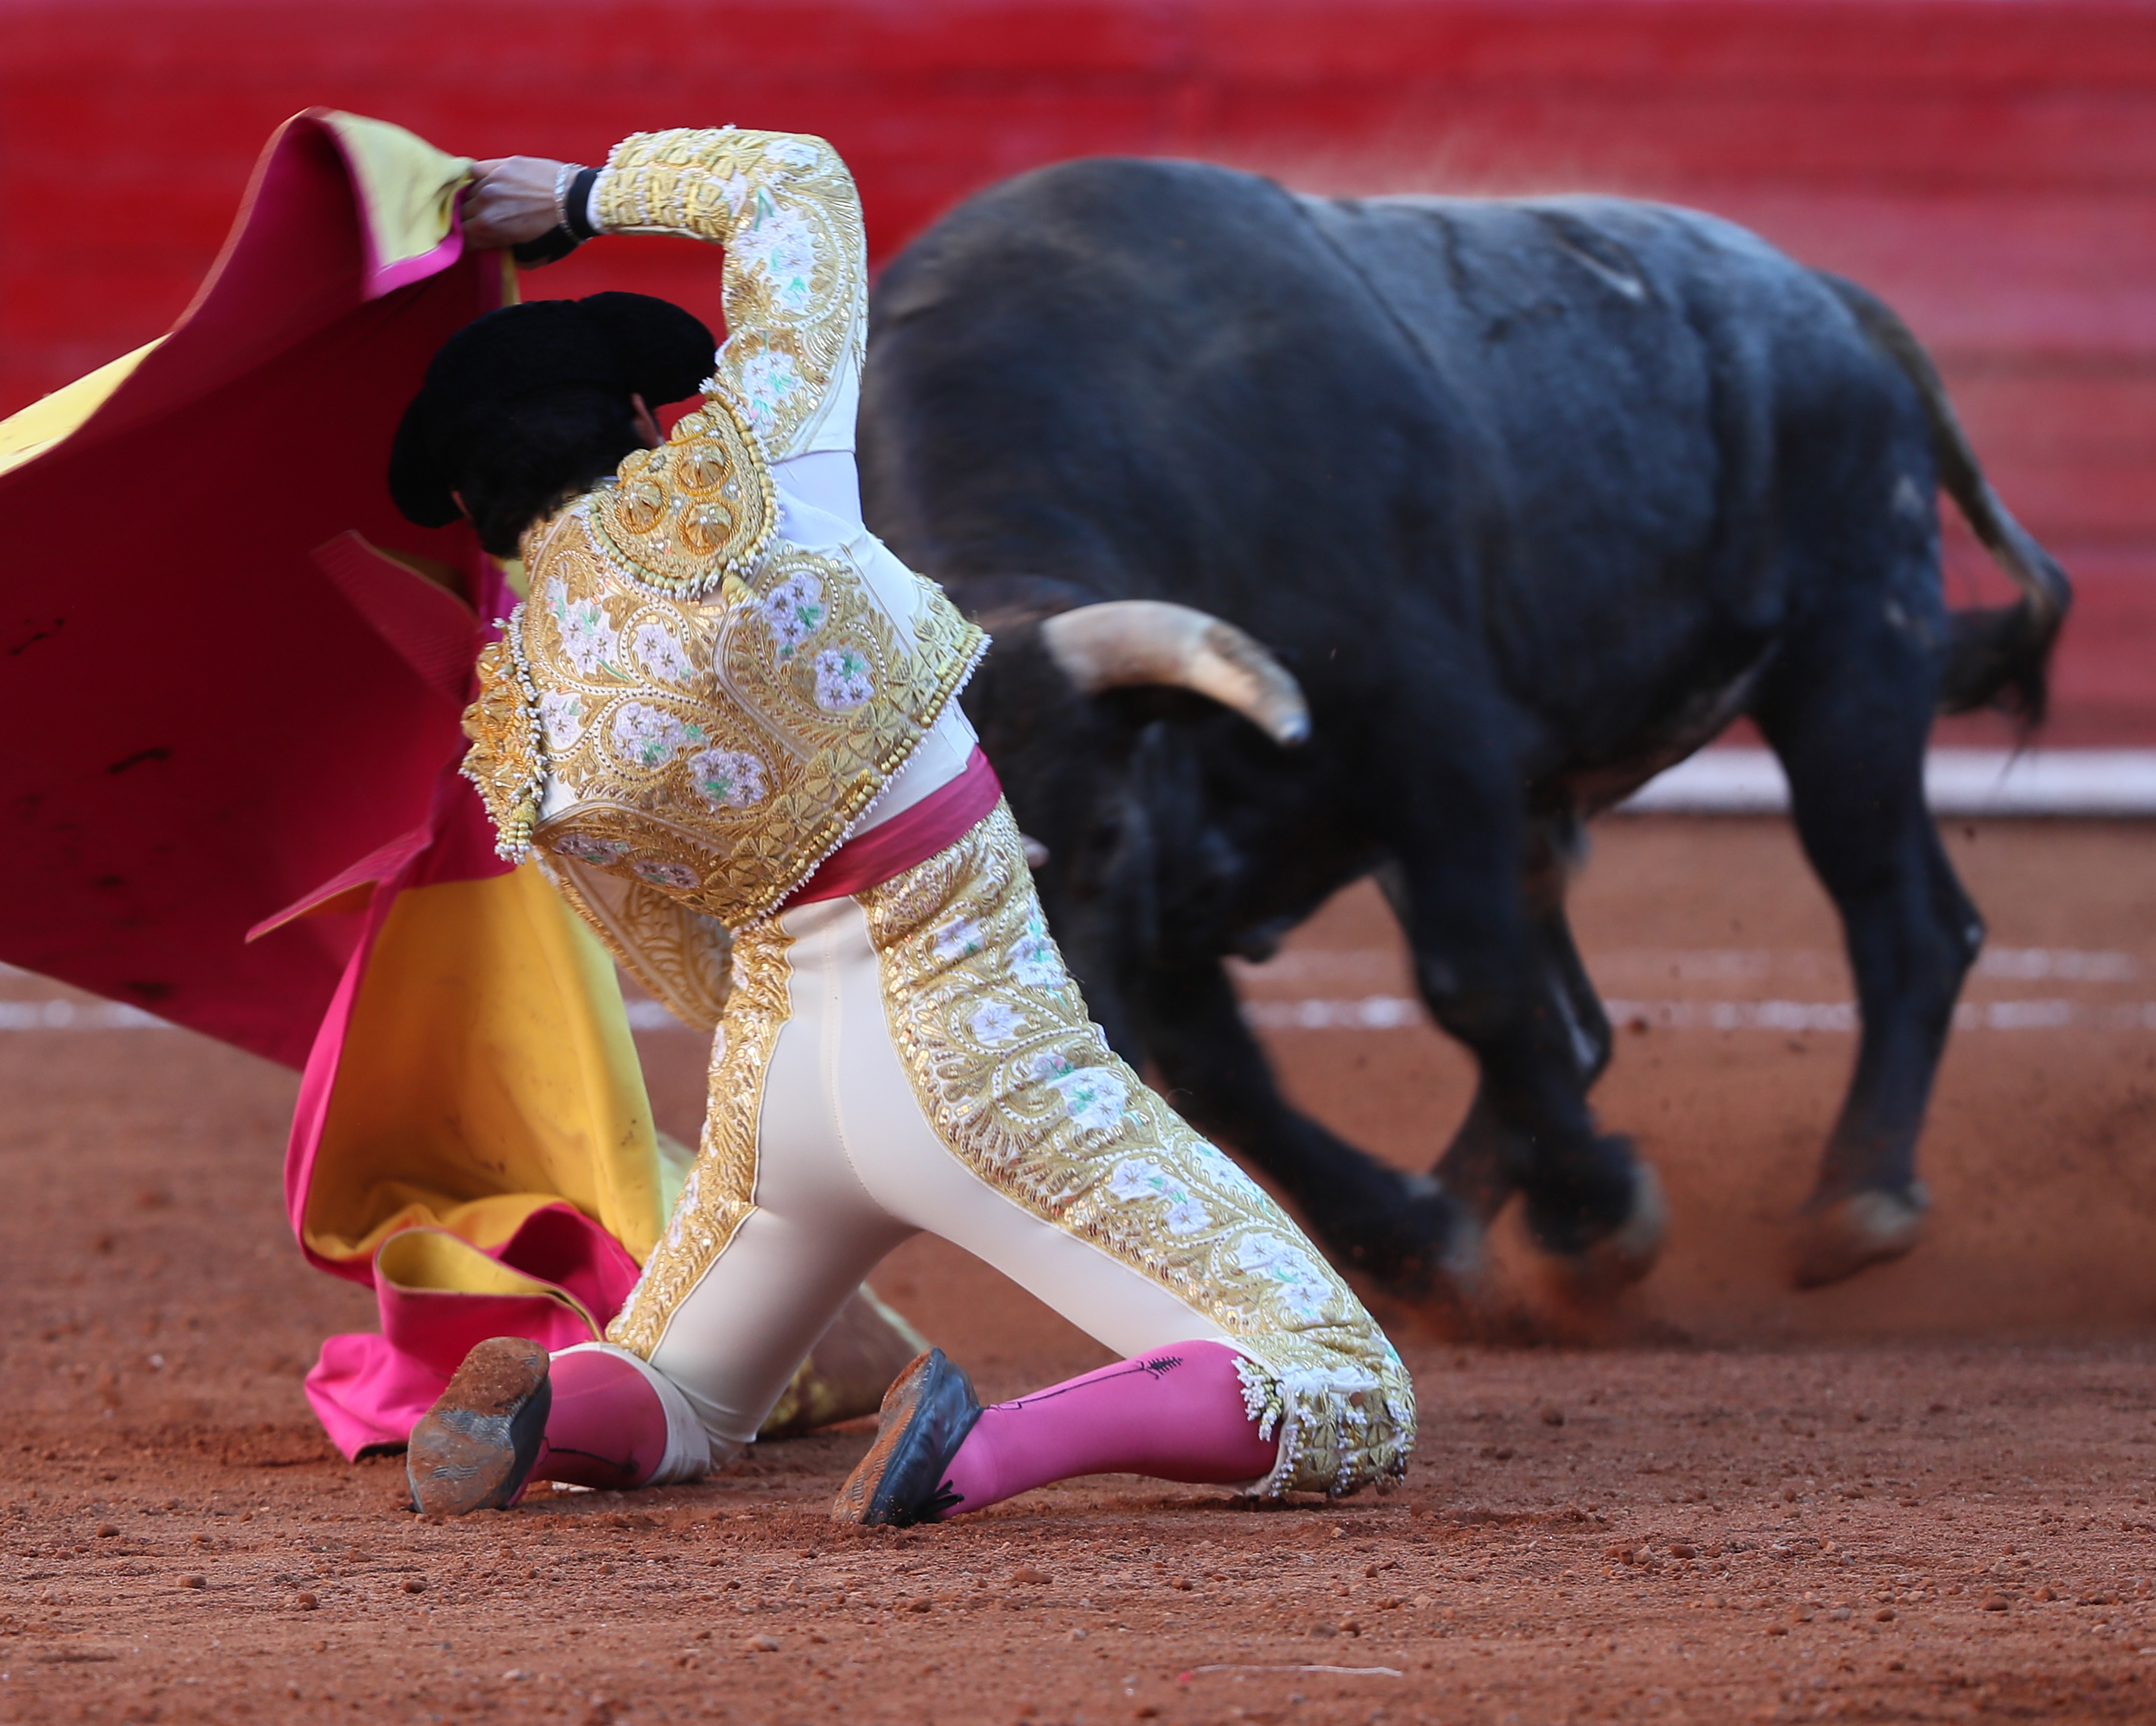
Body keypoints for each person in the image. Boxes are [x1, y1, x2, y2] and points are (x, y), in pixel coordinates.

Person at [389, 127, 1412, 1525]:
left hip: (778, 1098)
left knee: (686, 1390)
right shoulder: (750, 484)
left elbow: (684, 957)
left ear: (472, 510)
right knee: (1341, 1385)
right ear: (641, 415)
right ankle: (975, 1448)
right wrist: (575, 197)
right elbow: (793, 185)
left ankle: (559, 1406)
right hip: (979, 1053)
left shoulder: (531, 718)